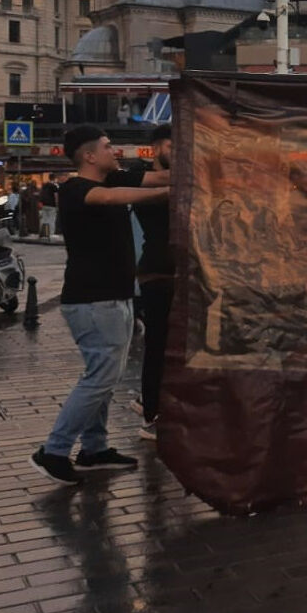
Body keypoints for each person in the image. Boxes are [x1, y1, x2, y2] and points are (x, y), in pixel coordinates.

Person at [30, 126, 169, 486]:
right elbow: (112, 197)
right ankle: (54, 451)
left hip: (114, 296)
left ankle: (94, 449)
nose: (115, 151)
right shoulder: (74, 189)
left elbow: (158, 176)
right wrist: (169, 193)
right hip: (92, 300)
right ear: (90, 155)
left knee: (104, 376)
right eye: (108, 146)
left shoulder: (115, 176)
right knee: (100, 378)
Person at [129, 126, 175, 439]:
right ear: (156, 148)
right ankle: (152, 415)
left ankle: (153, 401)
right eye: (173, 146)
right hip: (157, 272)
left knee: (174, 345)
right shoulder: (141, 179)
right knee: (158, 344)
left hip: (178, 271)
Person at [39, 174, 61, 238]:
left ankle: (43, 233)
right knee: (52, 219)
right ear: (54, 178)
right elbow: (56, 196)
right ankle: (51, 233)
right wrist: (57, 205)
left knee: (44, 219)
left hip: (44, 204)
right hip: (52, 205)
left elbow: (41, 194)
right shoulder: (54, 186)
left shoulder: (44, 185)